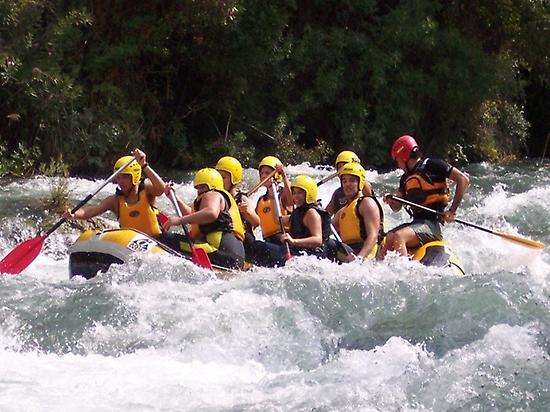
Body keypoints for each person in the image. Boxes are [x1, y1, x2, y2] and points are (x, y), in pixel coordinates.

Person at [381, 134, 469, 258]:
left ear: (404, 157)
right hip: (416, 224)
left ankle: (404, 273)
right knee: (388, 238)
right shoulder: (405, 178)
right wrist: (391, 201)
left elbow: (463, 180)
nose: (398, 165)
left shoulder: (432, 165)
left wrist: (452, 211)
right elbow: (397, 207)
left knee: (400, 236)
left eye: (398, 160)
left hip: (433, 225)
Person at [63, 149, 167, 238]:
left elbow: (161, 189)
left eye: (125, 177)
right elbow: (91, 211)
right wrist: (74, 214)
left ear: (135, 176)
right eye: (118, 177)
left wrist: (144, 165)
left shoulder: (146, 189)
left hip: (156, 241)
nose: (120, 181)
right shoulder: (115, 201)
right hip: (131, 247)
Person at [163, 168, 246, 269]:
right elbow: (193, 215)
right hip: (235, 258)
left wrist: (179, 220)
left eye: (203, 187)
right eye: (198, 188)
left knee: (165, 239)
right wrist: (175, 199)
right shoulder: (218, 198)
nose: (200, 191)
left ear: (213, 186)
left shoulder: (213, 194)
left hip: (223, 254)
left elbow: (211, 213)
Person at [242, 155, 293, 266]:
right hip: (269, 244)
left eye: (267, 173)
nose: (264, 176)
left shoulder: (282, 193)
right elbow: (254, 222)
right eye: (262, 173)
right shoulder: (261, 200)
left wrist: (283, 176)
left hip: (284, 245)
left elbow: (291, 201)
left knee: (257, 246)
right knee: (247, 242)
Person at [332, 162, 385, 262]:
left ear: (360, 182)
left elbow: (373, 236)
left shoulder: (366, 203)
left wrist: (360, 257)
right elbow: (326, 227)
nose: (347, 184)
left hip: (365, 252)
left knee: (329, 245)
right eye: (344, 181)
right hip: (349, 250)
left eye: (352, 181)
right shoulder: (343, 210)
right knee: (325, 244)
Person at [280, 175, 332, 258]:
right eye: (294, 193)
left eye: (299, 193)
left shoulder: (311, 213)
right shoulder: (298, 212)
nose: (296, 196)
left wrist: (293, 241)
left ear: (309, 194)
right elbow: (278, 220)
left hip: (313, 256)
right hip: (300, 254)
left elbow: (318, 240)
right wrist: (272, 195)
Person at [325, 150, 373, 215]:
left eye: (345, 165)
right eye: (340, 167)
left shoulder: (364, 185)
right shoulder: (337, 194)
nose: (342, 169)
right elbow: (326, 214)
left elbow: (367, 192)